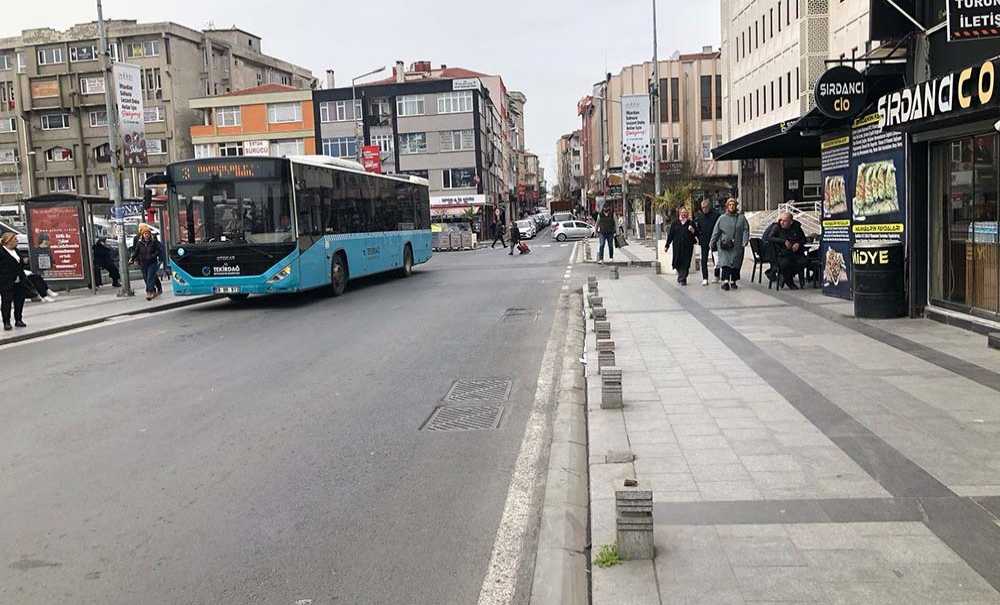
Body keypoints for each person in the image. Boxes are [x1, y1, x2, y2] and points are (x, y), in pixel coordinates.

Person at [710, 198, 751, 291]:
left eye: (733, 205)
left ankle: (733, 281)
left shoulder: (741, 218)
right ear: (727, 206)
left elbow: (746, 229)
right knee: (725, 263)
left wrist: (745, 240)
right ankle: (725, 281)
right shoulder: (722, 218)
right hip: (725, 246)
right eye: (730, 205)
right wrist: (712, 242)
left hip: (737, 246)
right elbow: (716, 231)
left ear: (736, 206)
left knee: (736, 264)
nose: (732, 206)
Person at [767, 211, 808, 289]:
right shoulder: (777, 227)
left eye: (785, 221)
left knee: (804, 261)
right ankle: (789, 282)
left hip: (795, 253)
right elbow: (769, 237)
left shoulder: (796, 227)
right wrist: (783, 241)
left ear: (791, 222)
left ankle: (785, 276)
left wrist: (798, 243)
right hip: (781, 254)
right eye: (781, 220)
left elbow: (804, 239)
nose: (782, 222)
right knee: (785, 263)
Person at [1, 232, 28, 330]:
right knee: (6, 302)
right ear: (9, 241)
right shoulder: (2, 252)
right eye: (15, 239)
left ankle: (18, 319)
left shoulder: (16, 250)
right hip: (6, 281)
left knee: (19, 301)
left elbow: (19, 264)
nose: (17, 241)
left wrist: (23, 262)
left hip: (20, 280)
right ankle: (6, 322)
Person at [664, 206, 698, 286]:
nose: (683, 214)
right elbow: (671, 235)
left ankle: (683, 278)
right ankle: (681, 276)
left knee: (686, 263)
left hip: (687, 247)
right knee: (677, 262)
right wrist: (667, 245)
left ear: (687, 214)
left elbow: (696, 233)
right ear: (679, 213)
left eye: (685, 213)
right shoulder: (675, 223)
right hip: (677, 247)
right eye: (682, 212)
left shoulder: (691, 223)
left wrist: (693, 230)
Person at [130, 225, 163, 300]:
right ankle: (154, 290)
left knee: (150, 277)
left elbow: (159, 250)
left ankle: (149, 292)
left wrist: (154, 256)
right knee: (146, 278)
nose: (146, 235)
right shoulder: (139, 242)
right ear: (142, 234)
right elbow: (136, 251)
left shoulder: (153, 241)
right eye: (145, 234)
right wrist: (133, 259)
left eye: (148, 233)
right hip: (143, 262)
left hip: (152, 262)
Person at [694, 199, 721, 286]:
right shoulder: (699, 216)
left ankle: (717, 275)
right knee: (704, 260)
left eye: (705, 207)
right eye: (702, 207)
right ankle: (705, 278)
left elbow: (719, 227)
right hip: (704, 241)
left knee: (716, 259)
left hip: (714, 240)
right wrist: (699, 238)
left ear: (709, 207)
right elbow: (698, 229)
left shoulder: (716, 215)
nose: (704, 209)